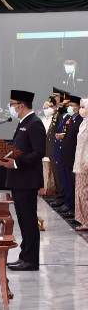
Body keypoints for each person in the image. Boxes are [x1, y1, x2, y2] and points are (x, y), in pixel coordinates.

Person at [0, 90, 45, 271]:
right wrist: (3, 155)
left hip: (27, 180)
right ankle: (25, 256)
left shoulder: (35, 123)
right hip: (19, 180)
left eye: (12, 104)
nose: (11, 108)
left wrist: (15, 163)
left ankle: (31, 261)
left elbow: (38, 152)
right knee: (23, 221)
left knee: (29, 221)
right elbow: (21, 148)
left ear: (21, 105)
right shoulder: (23, 122)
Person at [58, 95, 83, 219]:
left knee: (72, 183)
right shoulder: (71, 119)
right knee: (67, 181)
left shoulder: (80, 120)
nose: (71, 108)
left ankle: (72, 208)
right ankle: (68, 204)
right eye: (70, 106)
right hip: (66, 155)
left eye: (73, 106)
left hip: (73, 156)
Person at [73, 98, 88, 231]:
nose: (81, 109)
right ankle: (83, 220)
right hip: (79, 162)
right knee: (80, 191)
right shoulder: (83, 123)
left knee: (85, 192)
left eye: (83, 107)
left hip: (86, 163)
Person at [40, 97, 58, 196]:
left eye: (49, 107)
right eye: (44, 108)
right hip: (44, 148)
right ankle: (47, 191)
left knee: (54, 173)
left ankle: (53, 191)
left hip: (52, 148)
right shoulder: (42, 120)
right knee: (45, 170)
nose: (46, 110)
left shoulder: (55, 119)